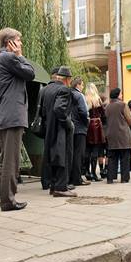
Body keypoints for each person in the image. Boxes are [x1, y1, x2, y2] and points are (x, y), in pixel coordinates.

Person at [0, 27, 34, 211]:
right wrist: (20, 54)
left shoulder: (0, 58)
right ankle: (8, 200)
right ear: (10, 43)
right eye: (18, 40)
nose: (21, 44)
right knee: (11, 161)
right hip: (13, 115)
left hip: (6, 114)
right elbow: (30, 73)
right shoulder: (9, 57)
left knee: (5, 159)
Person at [42, 66, 77, 197]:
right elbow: (59, 109)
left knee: (53, 157)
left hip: (49, 128)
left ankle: (53, 186)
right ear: (68, 79)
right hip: (60, 129)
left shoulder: (47, 89)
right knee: (63, 157)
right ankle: (61, 188)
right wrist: (69, 123)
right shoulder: (64, 89)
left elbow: (44, 111)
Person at [105, 88, 131, 183]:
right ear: (118, 95)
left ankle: (110, 178)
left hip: (111, 134)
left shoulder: (107, 107)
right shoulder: (123, 105)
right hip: (123, 134)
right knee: (124, 157)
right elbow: (129, 119)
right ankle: (124, 178)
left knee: (112, 157)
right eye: (121, 94)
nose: (122, 96)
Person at [70, 77, 90, 186]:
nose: (83, 87)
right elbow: (83, 111)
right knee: (79, 154)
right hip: (80, 128)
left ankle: (70, 177)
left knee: (71, 153)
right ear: (78, 85)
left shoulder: (68, 93)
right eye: (82, 85)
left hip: (70, 127)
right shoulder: (79, 95)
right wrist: (86, 122)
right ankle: (77, 179)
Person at [84, 83, 106, 182]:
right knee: (95, 150)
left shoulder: (84, 99)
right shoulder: (97, 99)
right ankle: (93, 173)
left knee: (87, 150)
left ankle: (87, 172)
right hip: (96, 125)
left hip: (88, 125)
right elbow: (103, 113)